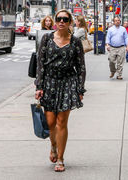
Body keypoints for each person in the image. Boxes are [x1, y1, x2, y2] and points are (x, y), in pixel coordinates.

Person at [35, 9, 86, 172]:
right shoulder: (47, 38)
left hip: (68, 82)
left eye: (65, 19)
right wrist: (39, 86)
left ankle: (61, 159)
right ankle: (53, 146)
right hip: (49, 81)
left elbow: (81, 66)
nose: (61, 21)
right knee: (50, 122)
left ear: (70, 22)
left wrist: (80, 88)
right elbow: (40, 63)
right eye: (59, 19)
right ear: (55, 21)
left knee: (61, 122)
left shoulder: (75, 41)